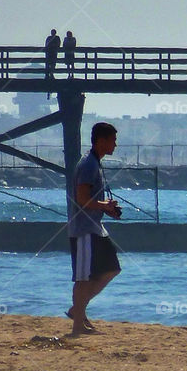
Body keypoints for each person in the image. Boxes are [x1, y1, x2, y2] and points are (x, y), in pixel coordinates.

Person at [67, 122, 122, 336]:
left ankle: (77, 310)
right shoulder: (89, 164)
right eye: (113, 140)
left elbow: (90, 199)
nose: (115, 145)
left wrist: (106, 208)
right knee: (83, 278)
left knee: (111, 269)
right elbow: (82, 198)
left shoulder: (94, 163)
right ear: (101, 141)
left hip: (95, 228)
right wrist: (104, 205)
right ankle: (78, 323)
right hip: (83, 230)